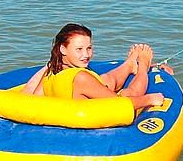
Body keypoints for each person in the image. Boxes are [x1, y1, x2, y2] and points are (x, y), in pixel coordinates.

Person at [22, 23, 170, 111]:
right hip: (96, 110)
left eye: (89, 48)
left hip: (80, 93)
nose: (86, 55)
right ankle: (143, 65)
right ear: (63, 49)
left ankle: (129, 64)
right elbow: (120, 105)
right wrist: (149, 99)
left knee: (106, 80)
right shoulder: (80, 77)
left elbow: (32, 99)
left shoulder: (51, 73)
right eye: (79, 49)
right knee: (127, 93)